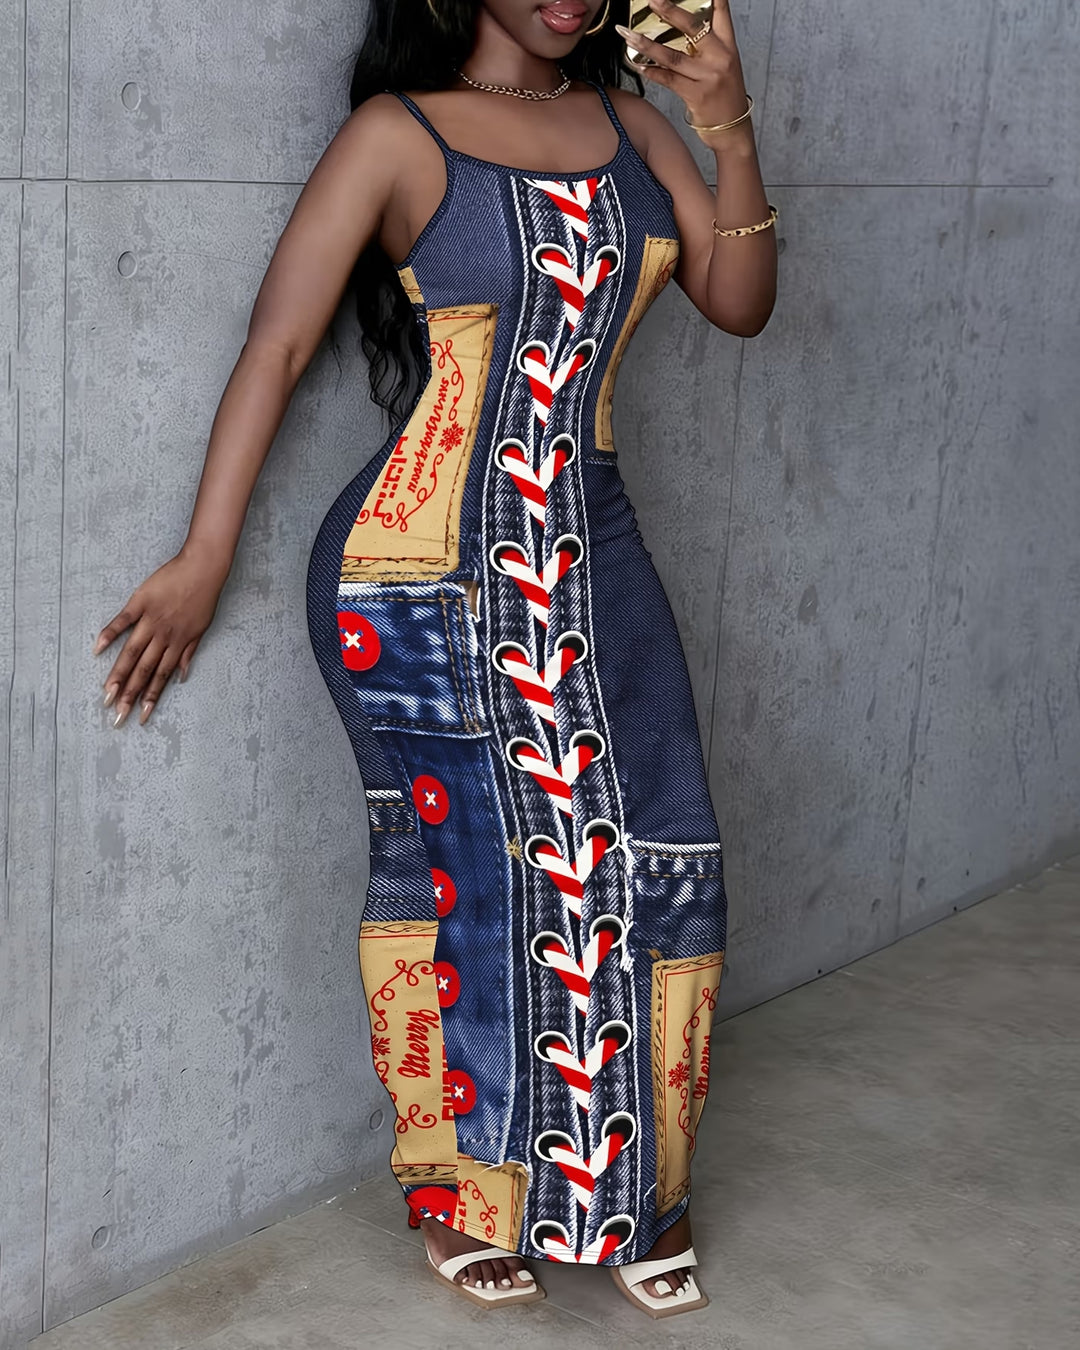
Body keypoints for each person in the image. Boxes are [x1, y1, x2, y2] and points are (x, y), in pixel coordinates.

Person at [93, 0, 776, 1321]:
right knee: (456, 870)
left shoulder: (636, 126)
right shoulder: (397, 137)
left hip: (596, 554)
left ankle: (642, 1188)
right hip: (417, 570)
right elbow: (278, 344)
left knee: (659, 853)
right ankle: (461, 1191)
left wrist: (727, 124)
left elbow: (740, 303)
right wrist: (205, 551)